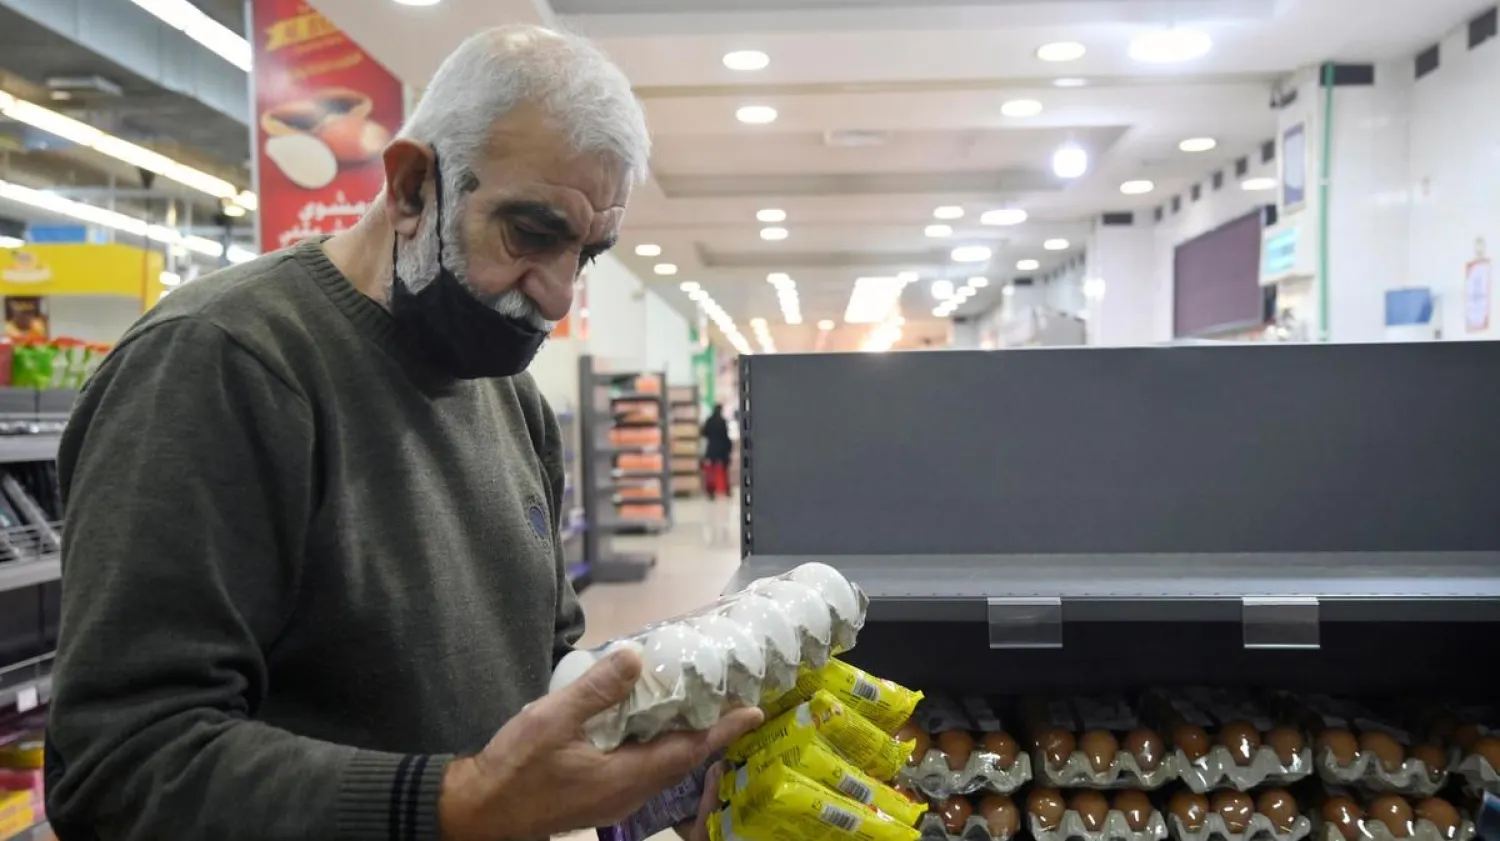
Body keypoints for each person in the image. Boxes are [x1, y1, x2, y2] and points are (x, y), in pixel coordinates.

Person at [44, 25, 759, 841]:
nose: (560, 296)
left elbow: (546, 669)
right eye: (530, 234)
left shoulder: (513, 402)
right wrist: (462, 800)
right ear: (414, 185)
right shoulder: (221, 364)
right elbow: (122, 762)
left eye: (587, 254)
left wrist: (651, 772)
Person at [700, 404, 732, 501]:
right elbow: (726, 436)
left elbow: (703, 433)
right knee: (725, 470)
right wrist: (729, 447)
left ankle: (711, 491)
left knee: (711, 471)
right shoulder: (723, 421)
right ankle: (727, 490)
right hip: (722, 448)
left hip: (712, 448)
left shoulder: (709, 421)